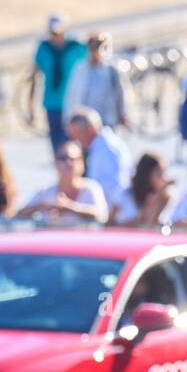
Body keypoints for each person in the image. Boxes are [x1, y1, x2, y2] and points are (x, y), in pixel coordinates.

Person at [29, 15, 87, 155]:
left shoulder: (76, 47)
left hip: (73, 105)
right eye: (53, 33)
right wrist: (30, 106)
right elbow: (34, 76)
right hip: (52, 105)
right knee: (57, 148)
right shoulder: (44, 49)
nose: (55, 36)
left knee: (73, 147)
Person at [17, 139, 108, 226]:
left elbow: (102, 216)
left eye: (72, 159)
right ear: (56, 163)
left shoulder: (91, 188)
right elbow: (17, 216)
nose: (68, 163)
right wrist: (41, 206)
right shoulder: (46, 192)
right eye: (63, 158)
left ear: (82, 163)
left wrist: (70, 207)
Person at [66, 108, 133, 221]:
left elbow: (114, 187)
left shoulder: (107, 149)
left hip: (113, 215)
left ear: (90, 129)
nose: (76, 140)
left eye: (77, 134)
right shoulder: (101, 146)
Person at [63, 32, 129, 130]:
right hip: (84, 123)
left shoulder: (111, 69)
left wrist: (123, 114)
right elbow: (71, 95)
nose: (93, 52)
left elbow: (120, 94)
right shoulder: (80, 69)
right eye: (91, 49)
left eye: (96, 48)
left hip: (107, 120)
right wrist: (68, 118)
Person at [112, 153, 176, 228]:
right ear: (147, 174)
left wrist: (159, 198)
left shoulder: (165, 197)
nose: (164, 179)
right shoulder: (123, 195)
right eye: (160, 174)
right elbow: (110, 224)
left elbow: (152, 224)